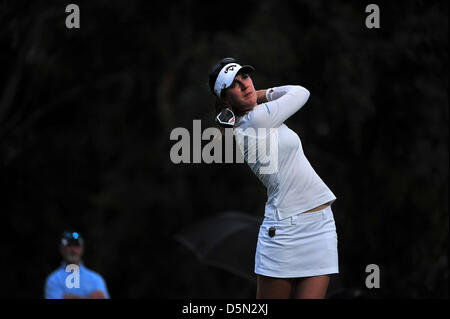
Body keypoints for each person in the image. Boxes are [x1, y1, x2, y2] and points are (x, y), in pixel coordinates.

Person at [208, 57, 339, 299]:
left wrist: (254, 98)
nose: (245, 85)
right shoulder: (255, 121)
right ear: (225, 99)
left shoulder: (259, 117)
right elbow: (300, 92)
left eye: (245, 77)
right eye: (235, 85)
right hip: (284, 231)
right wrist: (262, 94)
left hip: (321, 225)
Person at [44, 231, 110, 299]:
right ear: (61, 248)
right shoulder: (54, 279)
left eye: (76, 246)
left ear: (82, 249)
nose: (73, 250)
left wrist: (69, 297)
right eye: (69, 246)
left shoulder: (96, 279)